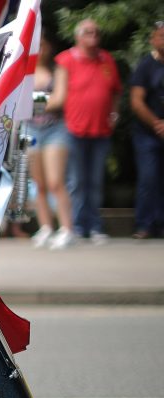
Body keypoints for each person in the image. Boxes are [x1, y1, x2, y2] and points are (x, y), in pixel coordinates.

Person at [55, 19, 121, 245]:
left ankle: (93, 226)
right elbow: (60, 94)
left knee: (94, 182)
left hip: (100, 130)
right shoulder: (66, 59)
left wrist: (114, 113)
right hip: (73, 130)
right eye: (89, 32)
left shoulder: (106, 59)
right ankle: (77, 226)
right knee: (76, 181)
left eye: (96, 32)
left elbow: (115, 91)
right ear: (78, 37)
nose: (94, 36)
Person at [28, 30, 75, 250]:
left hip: (56, 129)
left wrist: (31, 104)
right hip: (31, 130)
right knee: (38, 184)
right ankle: (46, 227)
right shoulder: (25, 71)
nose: (40, 48)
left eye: (43, 44)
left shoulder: (59, 70)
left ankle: (66, 229)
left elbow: (59, 100)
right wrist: (42, 101)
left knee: (56, 182)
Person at [129, 21, 164, 239]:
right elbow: (136, 101)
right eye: (161, 36)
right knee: (149, 178)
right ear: (152, 39)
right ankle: (145, 225)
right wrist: (158, 124)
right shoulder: (145, 65)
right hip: (147, 133)